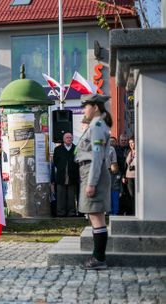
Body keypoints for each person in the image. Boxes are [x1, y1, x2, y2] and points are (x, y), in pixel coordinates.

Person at [75, 94, 113, 270]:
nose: (84, 110)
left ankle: (99, 258)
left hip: (92, 172)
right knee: (95, 216)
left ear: (95, 107)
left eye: (86, 106)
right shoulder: (96, 125)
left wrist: (91, 183)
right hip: (89, 171)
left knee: (96, 216)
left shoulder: (97, 126)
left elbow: (97, 157)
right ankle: (98, 257)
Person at [52, 132, 79, 217]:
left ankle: (71, 213)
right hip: (61, 176)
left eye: (70, 137)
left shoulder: (76, 148)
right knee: (60, 196)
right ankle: (61, 213)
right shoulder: (58, 149)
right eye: (67, 137)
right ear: (63, 139)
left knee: (71, 196)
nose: (69, 139)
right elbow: (55, 162)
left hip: (73, 176)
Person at [123, 137, 136, 215]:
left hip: (137, 176)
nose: (131, 144)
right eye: (130, 143)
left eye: (133, 142)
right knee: (130, 195)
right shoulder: (128, 151)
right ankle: (132, 212)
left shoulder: (139, 151)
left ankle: (137, 212)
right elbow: (125, 165)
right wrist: (124, 176)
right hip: (129, 176)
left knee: (137, 195)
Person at [108, 145, 121, 215]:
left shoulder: (111, 148)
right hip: (100, 170)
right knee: (108, 200)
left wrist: (121, 191)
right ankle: (108, 212)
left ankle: (115, 212)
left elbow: (114, 161)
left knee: (115, 201)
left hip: (115, 190)